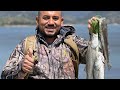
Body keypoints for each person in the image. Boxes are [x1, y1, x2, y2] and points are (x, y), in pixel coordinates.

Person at [1, 11, 104, 79]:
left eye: (55, 18)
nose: (51, 22)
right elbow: (4, 75)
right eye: (46, 18)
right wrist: (21, 68)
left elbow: (98, 56)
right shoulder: (26, 44)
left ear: (61, 21)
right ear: (37, 21)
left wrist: (96, 33)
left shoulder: (73, 43)